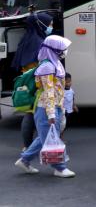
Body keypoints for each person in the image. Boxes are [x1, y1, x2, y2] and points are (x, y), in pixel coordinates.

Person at [14, 35, 76, 178]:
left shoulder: (55, 63)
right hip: (46, 108)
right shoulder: (47, 66)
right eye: (62, 48)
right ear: (54, 49)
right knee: (51, 138)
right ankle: (60, 168)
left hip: (54, 107)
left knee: (45, 138)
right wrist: (52, 114)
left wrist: (60, 109)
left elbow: (57, 90)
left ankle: (24, 160)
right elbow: (48, 91)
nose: (65, 51)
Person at [12, 11, 54, 150]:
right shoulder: (38, 42)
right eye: (49, 24)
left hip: (29, 80)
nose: (51, 27)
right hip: (35, 83)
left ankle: (29, 145)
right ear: (41, 25)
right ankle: (29, 147)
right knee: (32, 114)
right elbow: (37, 65)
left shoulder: (28, 39)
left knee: (31, 113)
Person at [60, 73, 79, 139]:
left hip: (69, 111)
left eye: (70, 81)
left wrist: (74, 106)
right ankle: (60, 138)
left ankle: (61, 136)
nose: (68, 83)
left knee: (65, 125)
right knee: (62, 125)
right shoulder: (61, 91)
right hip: (63, 111)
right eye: (67, 82)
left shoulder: (71, 91)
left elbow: (72, 99)